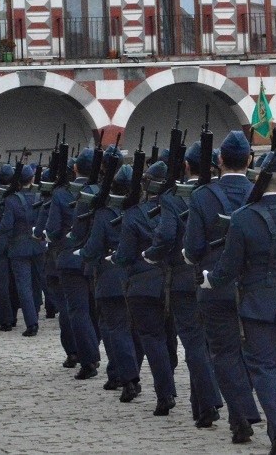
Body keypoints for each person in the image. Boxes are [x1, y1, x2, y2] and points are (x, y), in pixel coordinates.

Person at [201, 150, 276, 455]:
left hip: (257, 302)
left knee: (263, 367)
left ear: (258, 180)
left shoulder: (244, 217)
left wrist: (209, 280)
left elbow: (229, 267)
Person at [183, 130, 263, 443]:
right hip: (254, 284)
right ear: (250, 160)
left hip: (214, 284)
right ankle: (243, 412)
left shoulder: (202, 195)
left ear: (219, 161)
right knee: (251, 353)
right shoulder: (258, 192)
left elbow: (192, 248)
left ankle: (241, 416)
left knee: (225, 354)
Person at [143, 141, 223, 428]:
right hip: (214, 276)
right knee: (209, 343)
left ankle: (208, 402)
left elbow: (165, 235)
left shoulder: (173, 197)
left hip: (181, 276)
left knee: (193, 345)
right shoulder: (218, 192)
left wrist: (151, 255)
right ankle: (200, 404)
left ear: (187, 166)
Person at [114, 161, 177, 416]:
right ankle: (169, 383)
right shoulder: (176, 209)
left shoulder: (134, 215)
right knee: (169, 337)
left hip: (143, 284)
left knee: (153, 340)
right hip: (172, 281)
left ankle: (166, 393)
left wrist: (116, 260)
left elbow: (126, 254)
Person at [76, 163, 142, 404]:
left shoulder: (104, 214)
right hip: (135, 276)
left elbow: (93, 247)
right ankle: (117, 373)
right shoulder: (140, 209)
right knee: (124, 328)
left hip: (109, 276)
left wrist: (83, 255)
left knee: (115, 329)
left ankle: (129, 379)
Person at [47, 148, 101, 377]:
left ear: (76, 168)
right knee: (95, 310)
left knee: (78, 311)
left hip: (70, 258)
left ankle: (88, 359)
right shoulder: (100, 191)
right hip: (97, 257)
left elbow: (52, 229)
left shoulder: (61, 194)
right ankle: (93, 347)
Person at [0, 164, 44, 337]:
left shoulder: (12, 200)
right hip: (38, 244)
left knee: (24, 286)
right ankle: (36, 314)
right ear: (32, 179)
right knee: (37, 283)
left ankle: (32, 323)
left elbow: (7, 225)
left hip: (18, 246)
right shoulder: (39, 196)